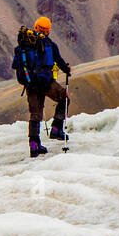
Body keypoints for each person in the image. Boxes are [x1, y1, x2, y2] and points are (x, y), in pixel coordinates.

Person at [12, 15, 71, 158]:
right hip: (46, 83)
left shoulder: (24, 44)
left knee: (35, 114)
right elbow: (59, 61)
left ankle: (34, 145)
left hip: (30, 84)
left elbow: (15, 64)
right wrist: (67, 69)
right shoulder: (50, 44)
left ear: (36, 26)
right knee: (64, 97)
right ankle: (56, 128)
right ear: (48, 30)